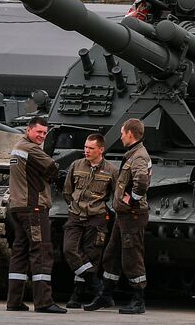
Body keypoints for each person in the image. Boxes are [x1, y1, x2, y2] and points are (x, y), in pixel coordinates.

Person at [85, 118, 151, 315]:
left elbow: (141, 180)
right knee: (111, 255)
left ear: (130, 134)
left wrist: (132, 200)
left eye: (122, 133)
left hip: (132, 214)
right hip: (123, 215)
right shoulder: (133, 153)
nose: (120, 136)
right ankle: (105, 295)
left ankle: (139, 300)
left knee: (132, 257)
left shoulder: (138, 155)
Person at [8, 116, 64, 313]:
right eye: (38, 132)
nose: (41, 136)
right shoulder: (31, 149)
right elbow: (53, 168)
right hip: (33, 208)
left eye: (44, 133)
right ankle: (44, 302)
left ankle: (14, 300)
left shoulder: (18, 147)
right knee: (41, 251)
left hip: (17, 207)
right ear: (28, 130)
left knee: (20, 252)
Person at [61, 133, 118, 308]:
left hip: (97, 217)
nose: (86, 151)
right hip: (76, 215)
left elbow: (116, 195)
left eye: (90, 148)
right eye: (85, 147)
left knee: (91, 255)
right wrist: (76, 206)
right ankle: (98, 286)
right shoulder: (76, 165)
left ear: (101, 150)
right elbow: (67, 191)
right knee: (70, 250)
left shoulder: (111, 170)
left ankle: (76, 296)